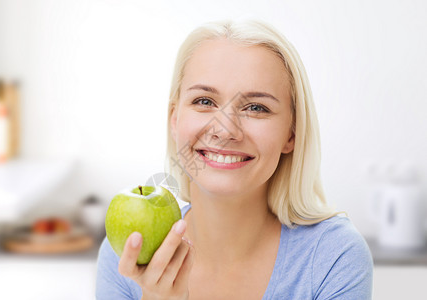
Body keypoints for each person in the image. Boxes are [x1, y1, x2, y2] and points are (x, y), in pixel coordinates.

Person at [96, 19, 373, 299]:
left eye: (256, 107)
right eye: (204, 101)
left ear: (291, 134)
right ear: (175, 119)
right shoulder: (129, 251)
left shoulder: (333, 257)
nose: (226, 130)